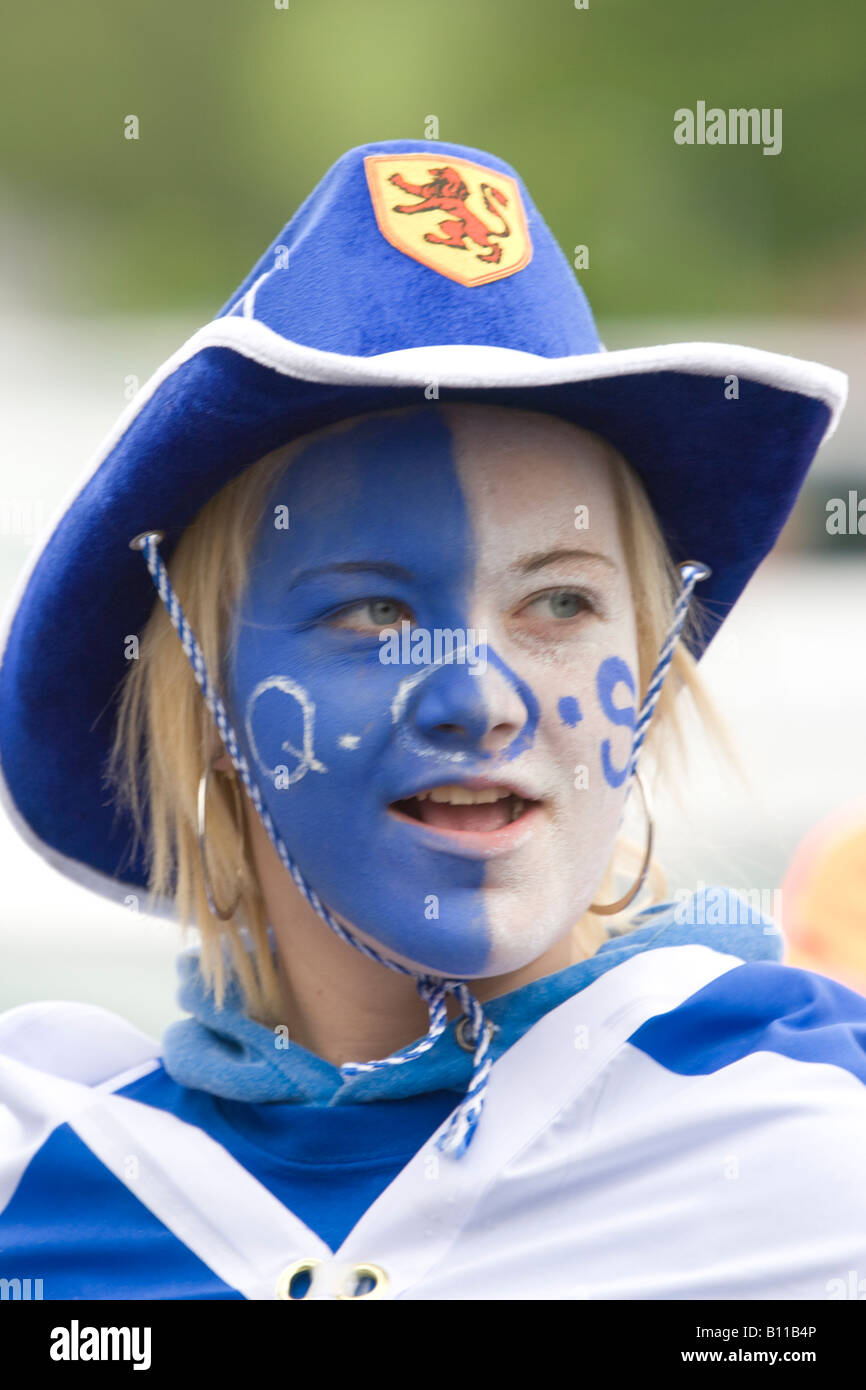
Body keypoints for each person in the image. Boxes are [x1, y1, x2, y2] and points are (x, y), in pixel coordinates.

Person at [0, 138, 863, 1303]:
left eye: (558, 602)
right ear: (200, 697)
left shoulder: (812, 1135)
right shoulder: (48, 1182)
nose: (478, 697)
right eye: (369, 610)